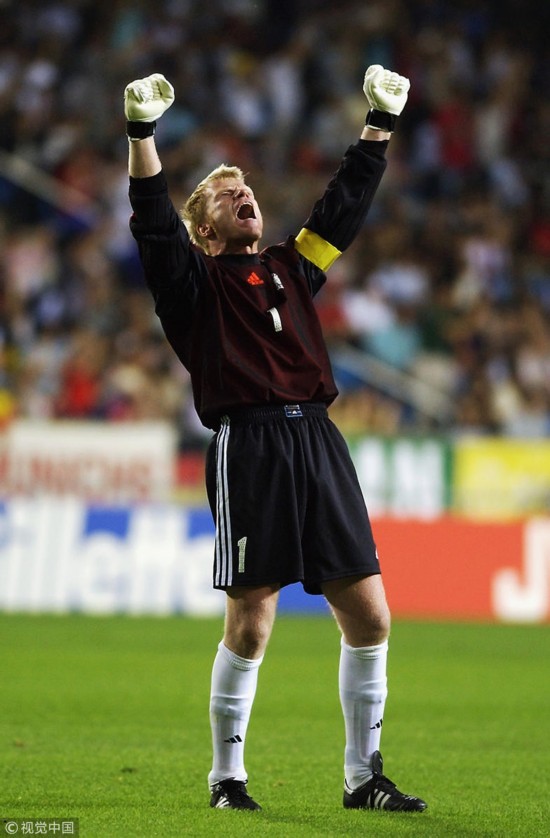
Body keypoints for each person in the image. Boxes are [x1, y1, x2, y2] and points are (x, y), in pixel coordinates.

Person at [125, 65, 427, 815]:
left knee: (371, 617)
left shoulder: (294, 266)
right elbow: (153, 224)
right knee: (252, 622)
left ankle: (363, 778)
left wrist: (379, 127)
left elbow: (343, 208)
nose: (243, 195)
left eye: (246, 188)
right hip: (250, 445)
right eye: (225, 195)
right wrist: (142, 134)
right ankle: (227, 780)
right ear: (205, 231)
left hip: (319, 442)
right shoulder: (191, 287)